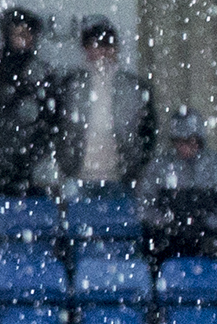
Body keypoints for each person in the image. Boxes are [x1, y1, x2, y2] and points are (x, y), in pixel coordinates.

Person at [0, 7, 61, 200]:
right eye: (18, 33)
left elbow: (51, 116)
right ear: (6, 34)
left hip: (28, 163)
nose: (24, 39)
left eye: (28, 33)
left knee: (28, 217)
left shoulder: (42, 72)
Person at [56, 17, 156, 199]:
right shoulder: (70, 85)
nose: (103, 52)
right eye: (96, 45)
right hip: (77, 176)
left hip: (121, 178)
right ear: (86, 49)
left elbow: (148, 131)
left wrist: (137, 165)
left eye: (107, 45)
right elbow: (58, 127)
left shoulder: (134, 87)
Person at [139, 109, 217, 260]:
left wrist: (209, 224)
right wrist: (167, 222)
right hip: (169, 236)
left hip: (209, 235)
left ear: (199, 140)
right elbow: (145, 206)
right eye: (180, 141)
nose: (184, 147)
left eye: (189, 140)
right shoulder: (159, 167)